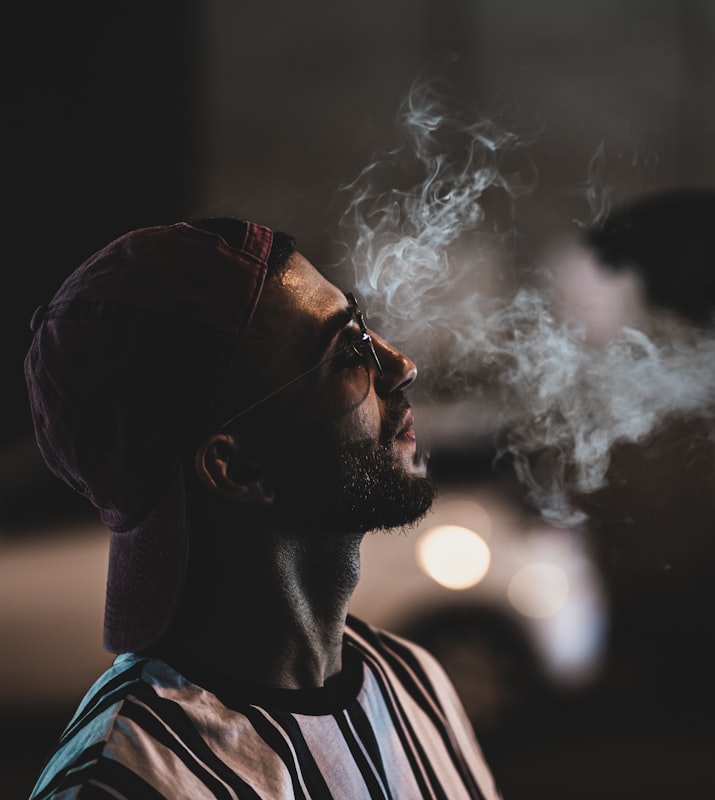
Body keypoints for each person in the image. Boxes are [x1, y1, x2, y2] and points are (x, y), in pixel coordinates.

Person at [24, 217, 503, 799]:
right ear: (238, 469)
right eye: (345, 349)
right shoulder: (129, 781)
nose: (400, 365)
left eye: (365, 327)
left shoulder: (413, 679)